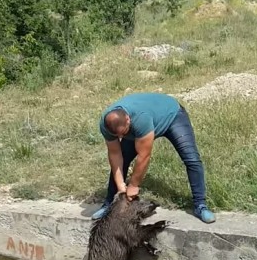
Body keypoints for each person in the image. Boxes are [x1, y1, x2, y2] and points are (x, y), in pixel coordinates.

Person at [91, 92, 215, 224]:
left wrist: (133, 185)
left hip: (172, 115)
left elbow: (143, 156)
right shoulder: (106, 125)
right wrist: (121, 186)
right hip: (140, 124)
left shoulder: (140, 119)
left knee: (191, 159)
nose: (121, 137)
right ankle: (108, 204)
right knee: (124, 158)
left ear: (128, 119)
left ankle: (200, 206)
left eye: (124, 133)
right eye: (118, 135)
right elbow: (115, 155)